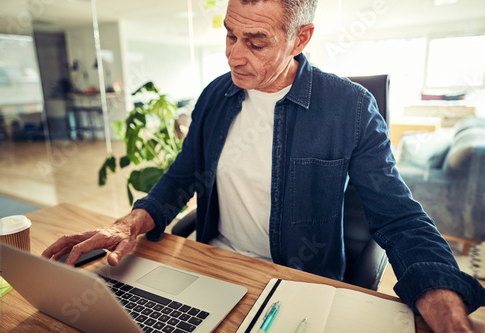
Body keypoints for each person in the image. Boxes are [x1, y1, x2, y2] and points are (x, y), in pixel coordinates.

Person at [43, 0, 485, 331]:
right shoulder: (217, 94)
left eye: (255, 42)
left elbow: (398, 215)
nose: (235, 56)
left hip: (298, 286)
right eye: (230, 35)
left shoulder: (350, 108)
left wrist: (438, 291)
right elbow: (182, 175)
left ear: (301, 38)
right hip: (213, 268)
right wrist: (129, 224)